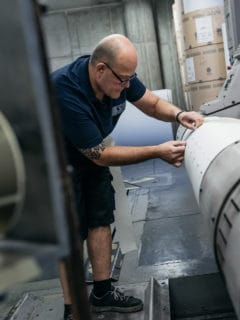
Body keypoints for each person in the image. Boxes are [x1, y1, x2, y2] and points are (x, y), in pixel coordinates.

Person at [52, 34, 204, 320]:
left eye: (129, 79)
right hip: (55, 160)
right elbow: (100, 154)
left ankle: (102, 292)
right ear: (100, 69)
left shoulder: (119, 75)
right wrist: (157, 151)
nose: (126, 86)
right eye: (122, 80)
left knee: (100, 217)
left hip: (89, 150)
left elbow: (150, 103)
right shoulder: (64, 90)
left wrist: (178, 114)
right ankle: (72, 309)